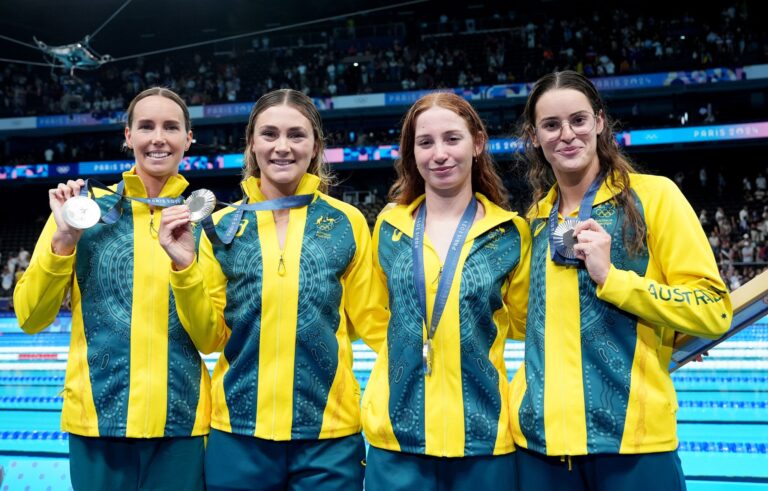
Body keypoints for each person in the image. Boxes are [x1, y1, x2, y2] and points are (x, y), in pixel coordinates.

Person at [508, 70, 732, 490]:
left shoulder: (655, 197)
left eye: (578, 120)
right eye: (551, 125)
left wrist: (615, 280)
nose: (567, 134)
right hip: (541, 447)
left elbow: (713, 308)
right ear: (534, 136)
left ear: (599, 122)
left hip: (634, 446)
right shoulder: (534, 222)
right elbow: (525, 323)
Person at [158, 88, 378, 490]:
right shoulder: (221, 226)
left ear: (315, 146)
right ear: (252, 144)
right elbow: (209, 338)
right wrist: (185, 266)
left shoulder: (348, 223)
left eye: (296, 135)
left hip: (328, 437)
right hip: (237, 433)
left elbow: (375, 325)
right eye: (269, 134)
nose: (282, 147)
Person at [14, 87, 209, 491]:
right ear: (128, 136)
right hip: (96, 421)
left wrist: (186, 265)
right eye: (146, 126)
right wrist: (63, 242)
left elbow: (210, 337)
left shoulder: (208, 225)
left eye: (171, 127)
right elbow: (31, 317)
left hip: (182, 424)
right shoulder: (82, 212)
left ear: (188, 138)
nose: (159, 137)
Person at [362, 92, 530, 490]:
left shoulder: (511, 232)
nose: (440, 154)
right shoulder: (388, 227)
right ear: (412, 152)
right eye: (426, 142)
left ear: (477, 142)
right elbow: (373, 316)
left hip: (484, 437)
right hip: (397, 436)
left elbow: (529, 326)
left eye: (452, 139)